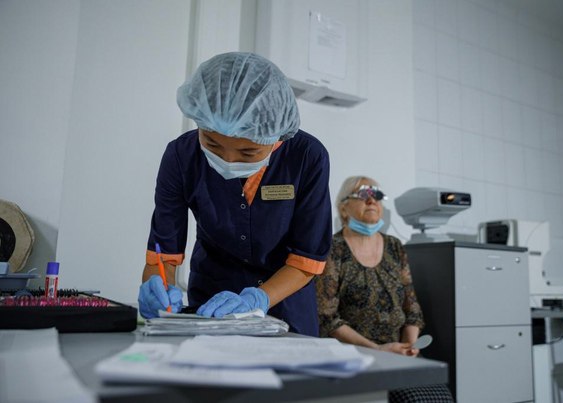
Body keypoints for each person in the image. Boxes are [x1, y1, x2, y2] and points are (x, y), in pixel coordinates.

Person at [137, 52, 332, 337]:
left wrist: (258, 299)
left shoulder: (307, 157)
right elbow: (162, 253)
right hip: (211, 304)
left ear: (277, 136)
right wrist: (157, 287)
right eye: (212, 144)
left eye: (248, 152)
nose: (228, 160)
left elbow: (307, 258)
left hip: (285, 307)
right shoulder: (181, 156)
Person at [316, 176, 453, 402]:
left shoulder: (394, 246)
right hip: (356, 353)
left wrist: (409, 346)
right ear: (343, 208)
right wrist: (377, 349)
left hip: (399, 351)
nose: (372, 201)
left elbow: (412, 308)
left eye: (377, 196)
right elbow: (326, 317)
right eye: (363, 194)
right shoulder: (333, 249)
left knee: (441, 397)